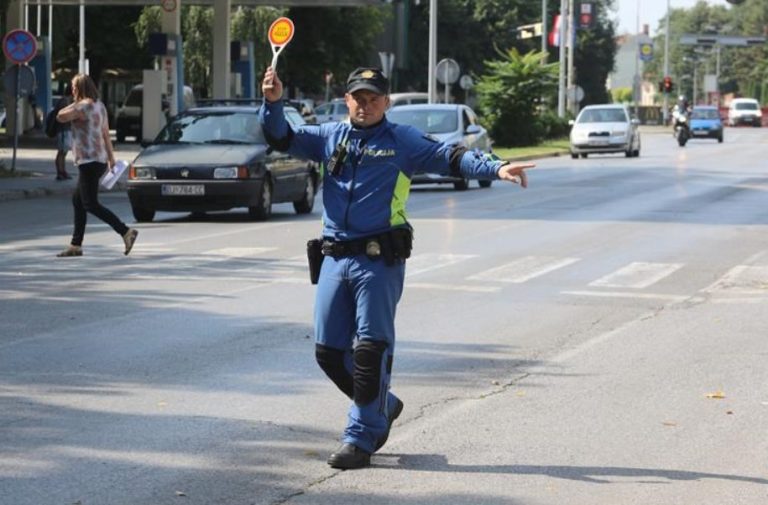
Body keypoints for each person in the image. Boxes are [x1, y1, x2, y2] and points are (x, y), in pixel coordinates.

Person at [259, 66, 533, 470]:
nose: (365, 104)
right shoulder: (329, 137)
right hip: (335, 257)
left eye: (373, 98)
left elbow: (451, 157)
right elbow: (280, 136)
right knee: (329, 354)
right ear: (346, 99)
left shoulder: (401, 140)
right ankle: (384, 403)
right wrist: (272, 102)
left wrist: (495, 167)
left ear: (386, 102)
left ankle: (362, 434)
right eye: (358, 97)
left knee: (370, 351)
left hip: (377, 261)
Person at [55, 73, 138, 258]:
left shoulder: (82, 107)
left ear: (81, 88)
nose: (73, 90)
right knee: (78, 201)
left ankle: (125, 231)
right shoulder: (100, 106)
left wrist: (73, 102)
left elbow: (60, 116)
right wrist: (111, 159)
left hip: (88, 161)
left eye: (74, 87)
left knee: (90, 204)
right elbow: (106, 134)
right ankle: (76, 245)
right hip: (99, 160)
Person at [54, 85, 73, 180]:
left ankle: (63, 171)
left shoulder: (66, 101)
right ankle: (60, 172)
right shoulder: (64, 102)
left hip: (65, 129)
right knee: (61, 152)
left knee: (64, 152)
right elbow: (63, 116)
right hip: (63, 129)